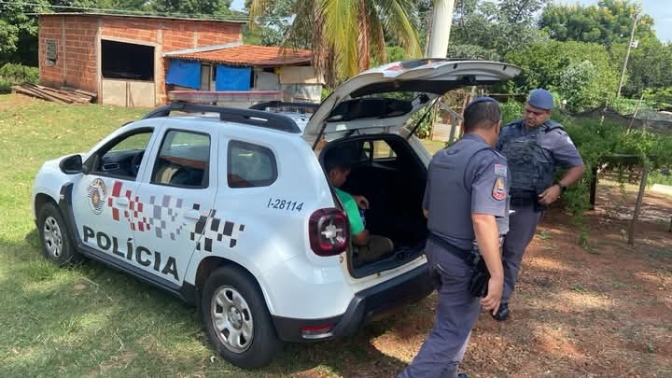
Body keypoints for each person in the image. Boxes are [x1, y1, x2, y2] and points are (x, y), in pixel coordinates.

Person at [397, 96, 509, 378]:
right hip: (463, 260)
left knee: (455, 323)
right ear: (497, 126)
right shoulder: (489, 163)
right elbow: (483, 219)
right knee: (450, 331)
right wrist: (497, 276)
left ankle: (448, 374)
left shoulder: (441, 157)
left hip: (435, 252)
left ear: (463, 126)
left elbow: (426, 210)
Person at [493, 89, 585, 321]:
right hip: (498, 201)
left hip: (527, 206)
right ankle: (483, 291)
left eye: (537, 113)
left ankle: (501, 301)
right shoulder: (508, 131)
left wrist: (559, 188)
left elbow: (578, 167)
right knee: (486, 248)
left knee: (512, 254)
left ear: (549, 113)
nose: (531, 116)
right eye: (528, 111)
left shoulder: (555, 136)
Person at [324, 150, 394, 263]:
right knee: (387, 243)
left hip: (326, 248)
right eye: (345, 175)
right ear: (334, 174)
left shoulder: (314, 189)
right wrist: (366, 232)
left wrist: (352, 197)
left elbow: (336, 194)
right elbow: (361, 240)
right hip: (345, 255)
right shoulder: (347, 201)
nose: (346, 179)